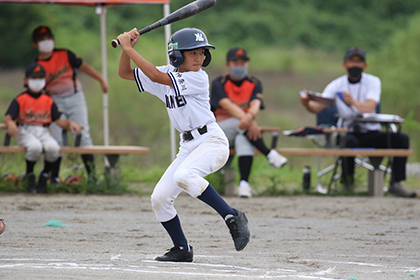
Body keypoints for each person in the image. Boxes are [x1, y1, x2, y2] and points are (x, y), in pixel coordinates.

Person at [117, 27, 250, 262]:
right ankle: (182, 248)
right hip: (187, 146)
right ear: (176, 56)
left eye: (202, 53)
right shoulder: (165, 73)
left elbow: (159, 78)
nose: (199, 58)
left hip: (211, 141)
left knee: (184, 175)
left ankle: (231, 216)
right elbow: (125, 73)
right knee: (159, 198)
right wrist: (127, 49)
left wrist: (127, 46)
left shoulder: (198, 77)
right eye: (193, 53)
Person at [300, 47, 416, 198]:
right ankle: (347, 183)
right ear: (345, 64)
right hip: (348, 132)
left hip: (371, 132)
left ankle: (396, 183)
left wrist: (353, 101)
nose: (355, 65)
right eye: (351, 61)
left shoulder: (373, 82)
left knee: (402, 139)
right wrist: (306, 102)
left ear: (364, 65)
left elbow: (370, 106)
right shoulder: (337, 85)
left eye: (358, 62)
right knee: (347, 141)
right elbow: (317, 108)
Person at [32, 25, 108, 184]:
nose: (46, 42)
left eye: (49, 38)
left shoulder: (64, 54)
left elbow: (84, 66)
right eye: (42, 40)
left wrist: (100, 79)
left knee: (83, 135)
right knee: (56, 138)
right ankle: (54, 178)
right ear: (35, 44)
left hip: (75, 98)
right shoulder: (37, 65)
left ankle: (93, 177)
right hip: (53, 100)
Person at [210, 47, 288, 198]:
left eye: (243, 63)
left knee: (243, 138)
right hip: (220, 131)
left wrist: (250, 116)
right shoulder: (219, 82)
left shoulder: (254, 82)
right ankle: (269, 153)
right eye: (236, 62)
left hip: (242, 130)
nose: (240, 66)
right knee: (238, 124)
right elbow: (226, 104)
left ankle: (244, 184)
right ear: (228, 65)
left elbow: (256, 103)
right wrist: (249, 120)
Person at [4, 63, 82, 193]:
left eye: (40, 77)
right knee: (35, 147)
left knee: (53, 148)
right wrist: (11, 124)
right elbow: (8, 116)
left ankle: (44, 175)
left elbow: (58, 120)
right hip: (25, 130)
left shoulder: (48, 100)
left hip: (43, 130)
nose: (37, 81)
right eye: (34, 78)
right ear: (26, 80)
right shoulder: (21, 99)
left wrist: (70, 124)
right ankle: (29, 176)